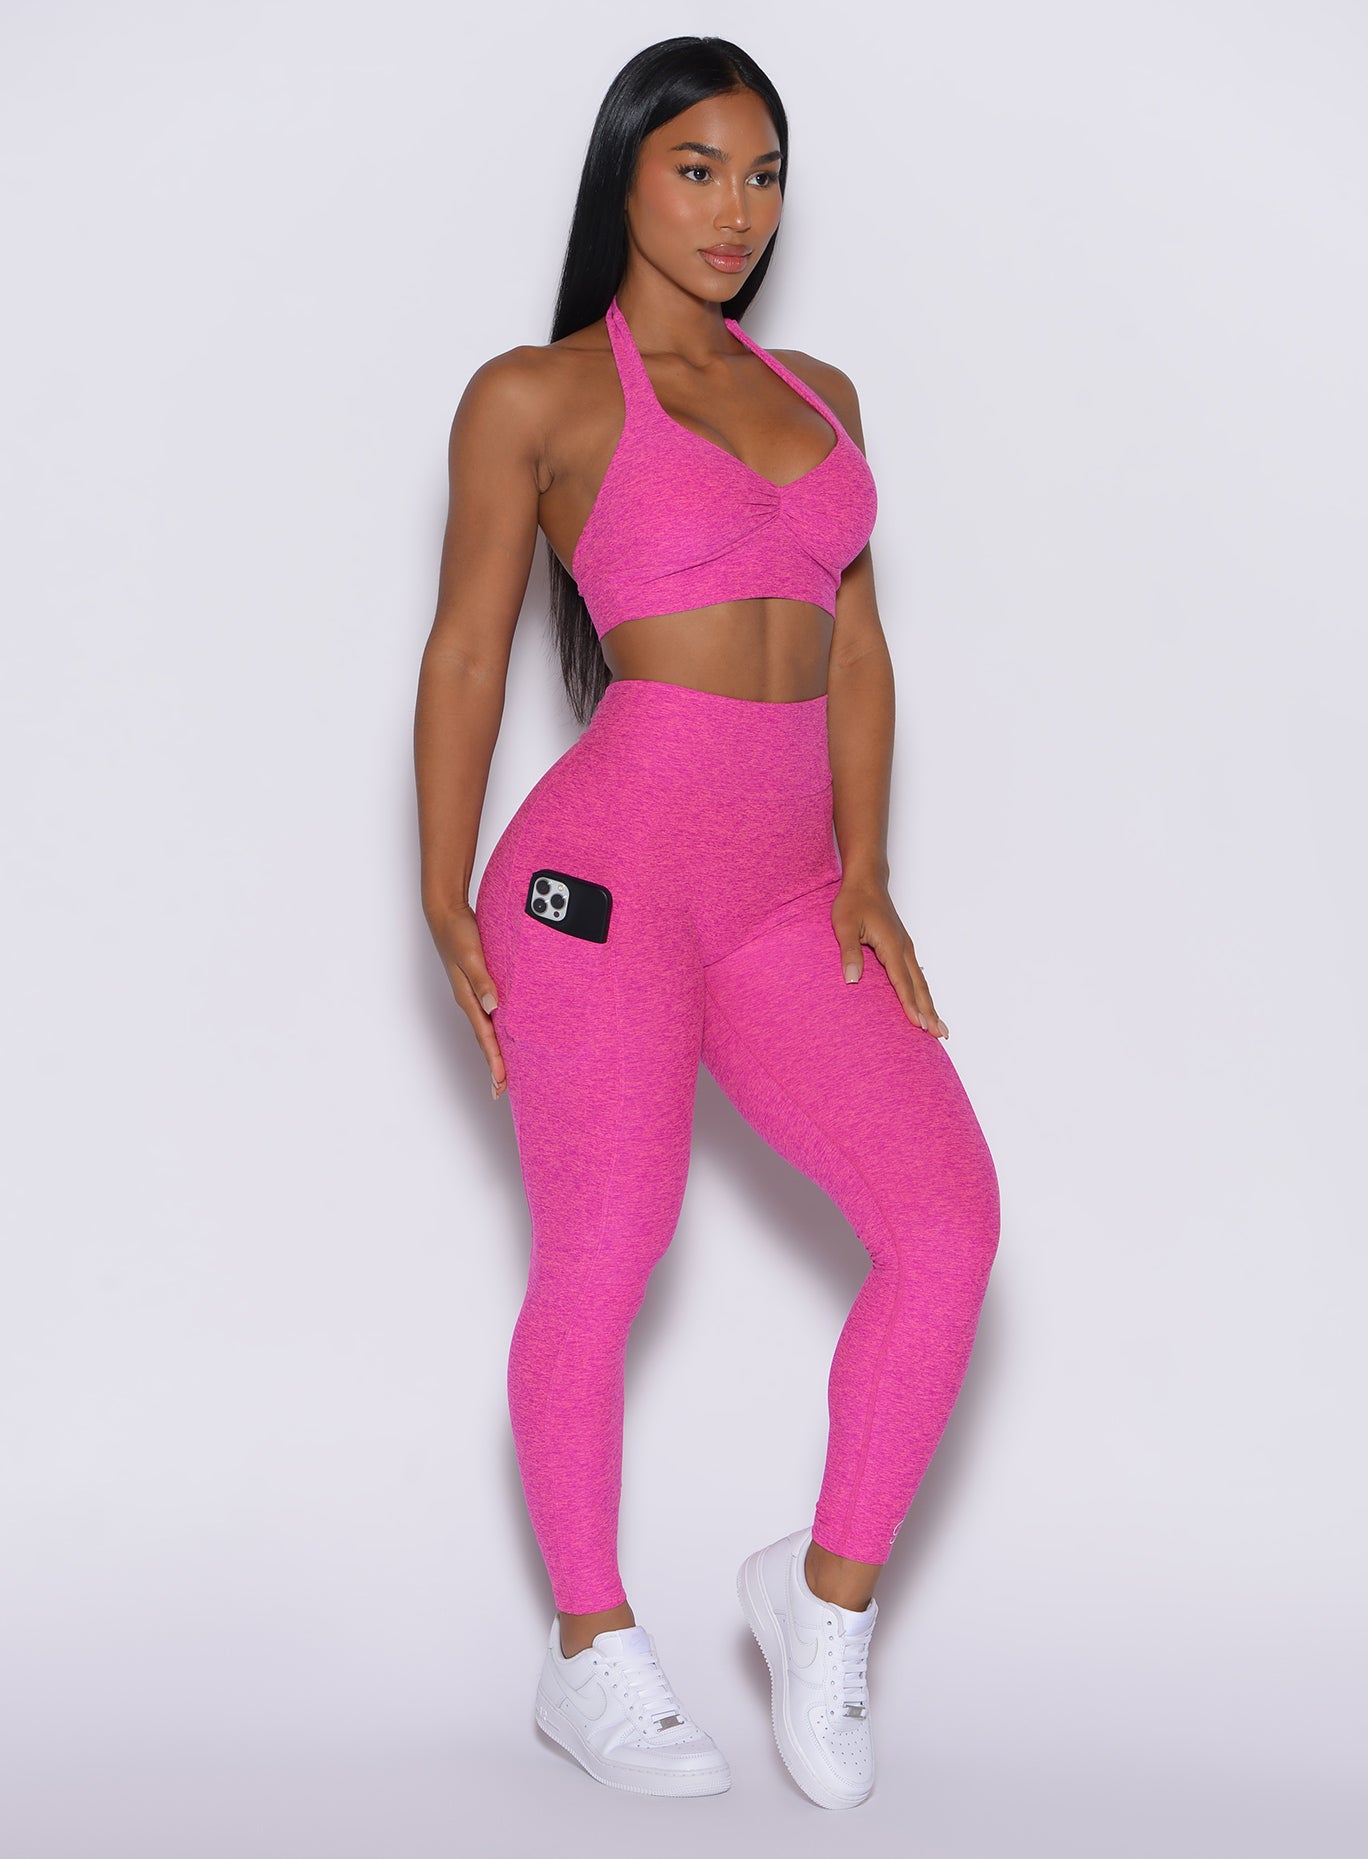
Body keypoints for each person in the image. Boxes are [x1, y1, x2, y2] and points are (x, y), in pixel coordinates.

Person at [413, 36, 1001, 1809]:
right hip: (600, 889)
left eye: (763, 174)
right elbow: (466, 651)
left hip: (787, 894)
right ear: (625, 178)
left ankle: (821, 1599)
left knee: (946, 1226)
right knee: (606, 1247)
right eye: (697, 169)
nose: (737, 210)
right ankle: (588, 1645)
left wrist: (867, 870)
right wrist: (440, 888)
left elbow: (861, 647)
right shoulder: (535, 396)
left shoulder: (820, 392)